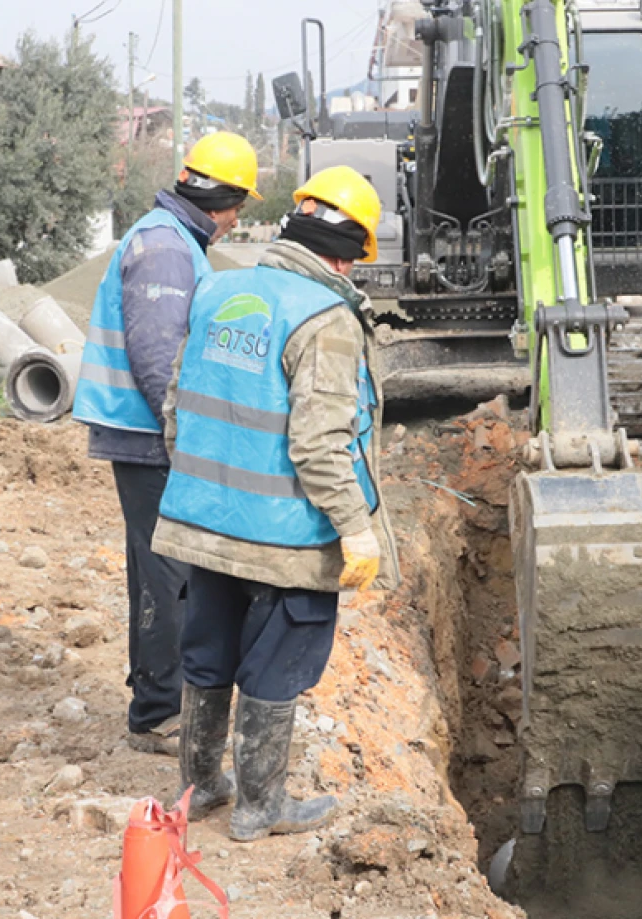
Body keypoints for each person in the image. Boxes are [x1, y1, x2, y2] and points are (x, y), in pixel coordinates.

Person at [151, 166, 401, 840]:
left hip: (205, 522)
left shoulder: (219, 289)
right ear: (349, 254)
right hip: (286, 534)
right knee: (276, 660)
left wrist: (211, 486)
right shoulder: (327, 319)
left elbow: (177, 407)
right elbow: (320, 445)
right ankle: (261, 805)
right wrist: (355, 528)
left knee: (207, 650)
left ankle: (200, 786)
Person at [72, 132, 261, 756]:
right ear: (224, 199)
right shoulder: (165, 249)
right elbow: (157, 357)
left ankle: (155, 700)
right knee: (170, 576)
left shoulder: (172, 240)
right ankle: (158, 713)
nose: (237, 223)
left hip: (147, 432)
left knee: (158, 571)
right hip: (149, 434)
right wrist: (186, 440)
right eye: (239, 208)